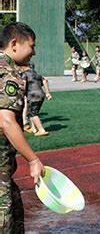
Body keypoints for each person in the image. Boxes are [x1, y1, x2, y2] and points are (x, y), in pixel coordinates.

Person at [0, 22, 45, 232]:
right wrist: (33, 160)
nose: (33, 52)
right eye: (32, 46)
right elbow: (6, 120)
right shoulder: (9, 74)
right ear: (15, 44)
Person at [21, 64, 52, 136]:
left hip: (32, 95)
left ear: (23, 67)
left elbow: (24, 85)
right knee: (33, 112)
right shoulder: (37, 74)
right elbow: (45, 81)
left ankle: (41, 130)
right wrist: (47, 93)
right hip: (41, 94)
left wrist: (22, 93)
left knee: (33, 113)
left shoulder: (25, 74)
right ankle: (34, 128)